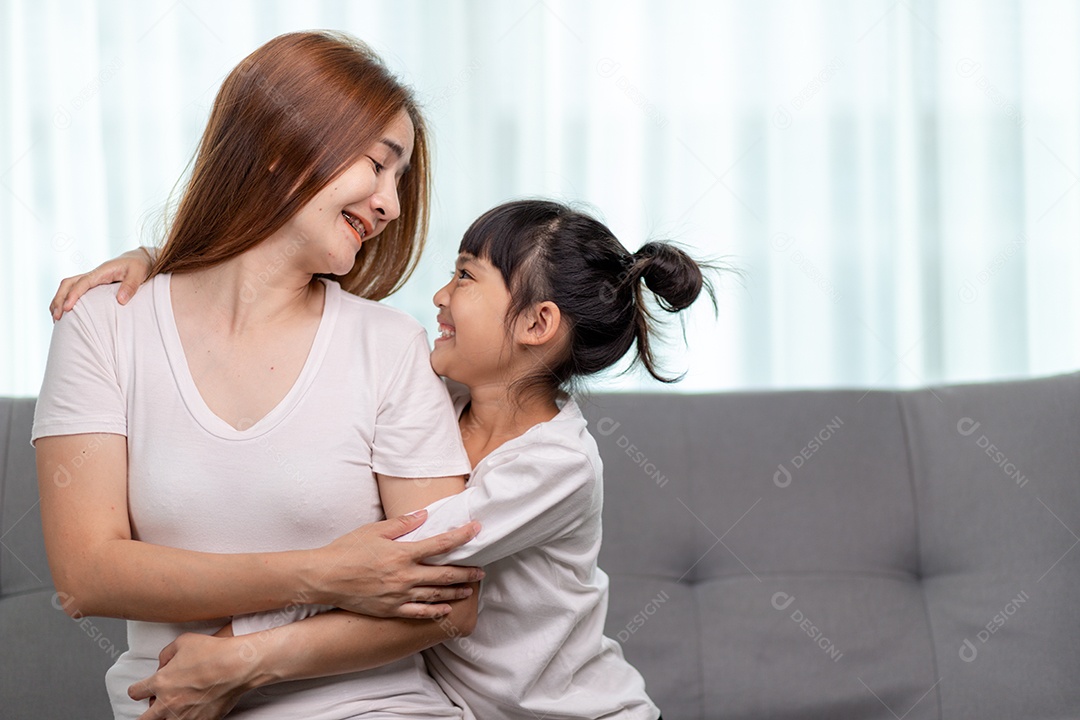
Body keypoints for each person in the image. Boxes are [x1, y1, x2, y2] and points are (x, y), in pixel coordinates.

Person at [59, 199, 713, 719]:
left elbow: (385, 565)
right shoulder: (443, 397)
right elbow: (348, 570)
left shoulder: (555, 466)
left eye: (464, 276)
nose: (439, 296)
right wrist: (158, 260)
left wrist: (234, 651)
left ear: (536, 324)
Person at [34, 31, 488, 720]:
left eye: (401, 181)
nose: (391, 204)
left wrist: (245, 661)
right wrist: (318, 573)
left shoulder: (391, 346)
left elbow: (449, 604)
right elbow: (85, 575)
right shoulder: (104, 323)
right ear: (282, 143)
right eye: (379, 165)